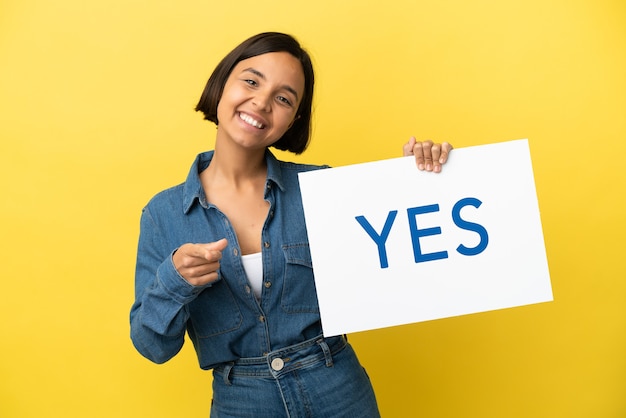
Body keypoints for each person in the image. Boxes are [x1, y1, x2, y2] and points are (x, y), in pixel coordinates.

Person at [130, 32, 452, 418]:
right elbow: (152, 346)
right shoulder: (162, 216)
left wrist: (419, 179)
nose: (262, 103)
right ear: (222, 84)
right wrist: (175, 281)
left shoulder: (323, 189)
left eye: (283, 98)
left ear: (293, 119)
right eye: (251, 81)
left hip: (339, 391)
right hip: (241, 403)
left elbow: (402, 253)